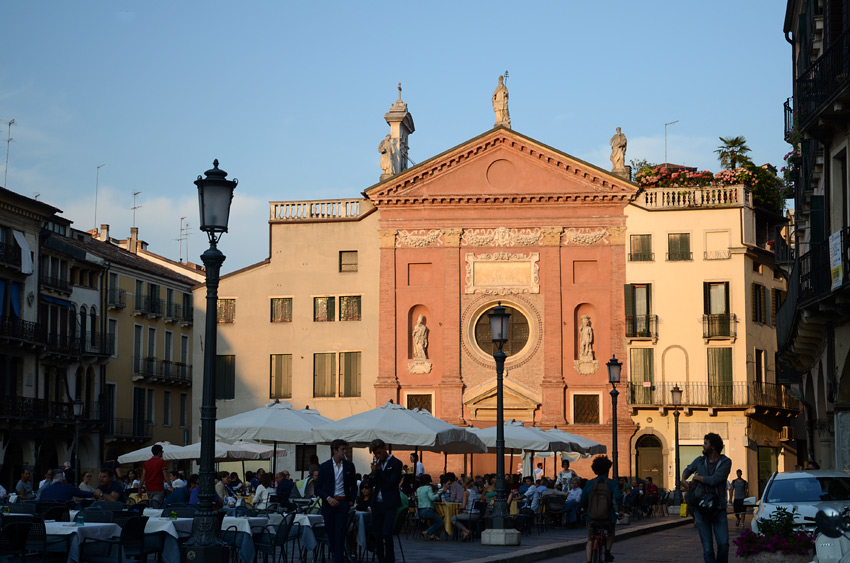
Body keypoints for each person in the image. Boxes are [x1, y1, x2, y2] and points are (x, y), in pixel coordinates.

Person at [682, 432, 732, 563]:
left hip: (718, 508)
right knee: (708, 549)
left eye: (705, 443)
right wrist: (683, 479)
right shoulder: (699, 460)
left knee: (723, 544)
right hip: (701, 508)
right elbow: (687, 470)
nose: (703, 446)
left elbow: (715, 480)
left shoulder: (725, 462)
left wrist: (697, 477)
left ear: (713, 447)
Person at [316, 439, 357, 563]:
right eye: (342, 449)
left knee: (340, 533)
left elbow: (354, 486)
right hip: (329, 504)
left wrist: (351, 500)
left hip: (343, 503)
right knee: (330, 533)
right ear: (335, 451)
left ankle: (338, 559)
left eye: (345, 449)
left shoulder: (349, 466)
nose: (345, 452)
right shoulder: (324, 466)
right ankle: (337, 554)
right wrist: (328, 498)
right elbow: (318, 488)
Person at [581, 455, 622, 563]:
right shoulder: (612, 483)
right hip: (608, 517)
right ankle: (607, 552)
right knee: (611, 532)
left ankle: (589, 560)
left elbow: (583, 500)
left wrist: (585, 509)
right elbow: (618, 497)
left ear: (595, 469)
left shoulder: (590, 483)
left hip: (592, 517)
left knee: (590, 539)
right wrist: (621, 511)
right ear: (608, 469)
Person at [368, 439, 403, 563]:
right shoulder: (378, 464)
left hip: (389, 503)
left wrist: (379, 471)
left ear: (384, 449)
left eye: (379, 453)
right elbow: (371, 483)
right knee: (377, 534)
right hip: (377, 503)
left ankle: (390, 559)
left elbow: (390, 483)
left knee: (387, 533)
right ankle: (381, 559)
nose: (377, 456)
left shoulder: (396, 463)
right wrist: (372, 473)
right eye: (375, 454)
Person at [415, 474, 447, 541]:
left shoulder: (418, 489)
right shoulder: (428, 488)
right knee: (440, 522)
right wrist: (440, 493)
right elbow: (432, 498)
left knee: (434, 520)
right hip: (428, 510)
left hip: (420, 511)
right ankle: (427, 532)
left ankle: (433, 535)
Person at [451, 476, 481, 541]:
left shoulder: (466, 493)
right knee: (460, 516)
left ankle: (467, 531)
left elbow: (463, 506)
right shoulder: (473, 491)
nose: (461, 484)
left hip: (471, 514)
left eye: (462, 483)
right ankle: (465, 533)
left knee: (453, 519)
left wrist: (459, 507)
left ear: (465, 484)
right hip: (477, 514)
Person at [140, 444, 170, 508]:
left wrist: (139, 489)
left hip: (148, 488)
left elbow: (143, 477)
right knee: (156, 507)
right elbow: (165, 475)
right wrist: (171, 486)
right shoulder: (162, 462)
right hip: (158, 487)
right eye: (162, 451)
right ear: (159, 452)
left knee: (151, 505)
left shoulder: (146, 463)